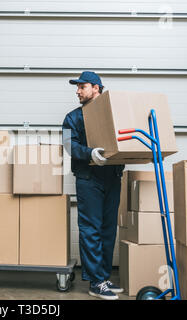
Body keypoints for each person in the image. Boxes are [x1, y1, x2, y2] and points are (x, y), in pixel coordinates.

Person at [62, 71, 124, 300]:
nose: (77, 91)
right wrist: (89, 153)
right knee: (91, 229)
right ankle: (95, 282)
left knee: (108, 229)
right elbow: (69, 144)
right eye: (77, 87)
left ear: (96, 88)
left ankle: (104, 276)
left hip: (112, 176)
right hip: (89, 178)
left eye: (82, 86)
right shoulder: (73, 118)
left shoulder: (115, 114)